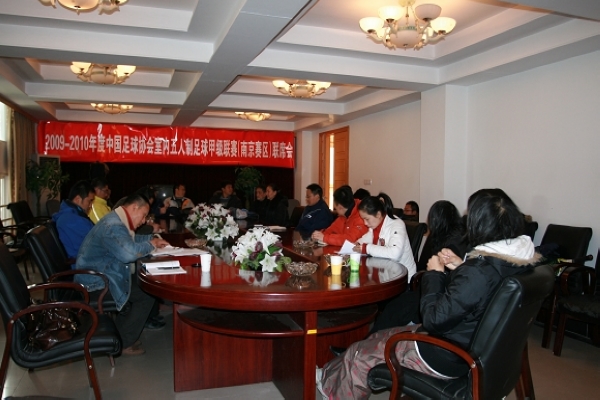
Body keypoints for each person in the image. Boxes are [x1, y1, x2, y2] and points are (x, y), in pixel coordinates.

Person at [317, 193, 541, 400]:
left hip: (443, 352)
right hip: (465, 342)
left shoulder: (479, 272)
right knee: (375, 338)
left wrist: (434, 274)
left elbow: (433, 319)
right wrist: (460, 266)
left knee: (360, 353)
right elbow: (482, 292)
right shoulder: (514, 262)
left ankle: (332, 391)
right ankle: (328, 375)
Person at [75, 194, 170, 356]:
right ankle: (124, 341)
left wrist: (151, 239)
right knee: (146, 293)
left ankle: (119, 334)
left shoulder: (116, 220)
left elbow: (128, 241)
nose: (144, 221)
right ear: (134, 208)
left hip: (104, 275)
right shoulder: (114, 225)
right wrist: (151, 244)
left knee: (142, 285)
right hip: (96, 283)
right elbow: (128, 254)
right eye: (143, 215)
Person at [372, 200, 467, 333]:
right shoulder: (457, 237)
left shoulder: (449, 245)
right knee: (395, 307)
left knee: (394, 309)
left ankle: (372, 337)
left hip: (435, 292)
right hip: (432, 286)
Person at [352, 194, 417, 279]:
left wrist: (366, 248)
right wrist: (357, 243)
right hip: (384, 273)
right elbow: (368, 237)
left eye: (367, 219)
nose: (365, 223)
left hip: (403, 278)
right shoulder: (375, 225)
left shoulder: (397, 224)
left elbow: (395, 254)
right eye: (363, 219)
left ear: (378, 214)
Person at [52, 180, 95, 260]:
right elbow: (91, 247)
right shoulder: (71, 220)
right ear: (78, 199)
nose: (90, 206)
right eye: (89, 201)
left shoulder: (72, 216)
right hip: (85, 264)